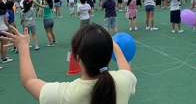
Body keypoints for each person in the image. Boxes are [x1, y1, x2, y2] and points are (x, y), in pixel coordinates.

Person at [1, 23, 137, 103]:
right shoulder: (124, 81)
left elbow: (29, 81)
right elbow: (127, 71)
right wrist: (115, 47)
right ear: (109, 55)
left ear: (77, 58)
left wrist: (23, 47)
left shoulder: (67, 95)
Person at [0, 0, 13, 66]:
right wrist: (10, 26)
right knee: (5, 44)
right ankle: (4, 59)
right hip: (4, 29)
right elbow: (6, 22)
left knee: (2, 44)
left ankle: (3, 57)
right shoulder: (5, 13)